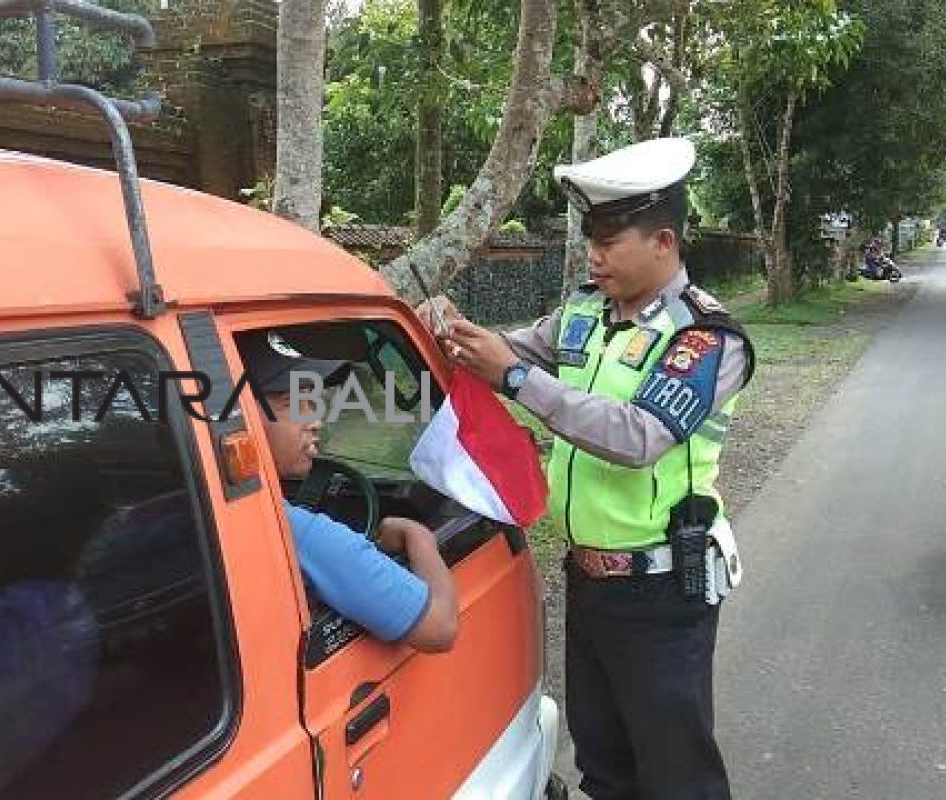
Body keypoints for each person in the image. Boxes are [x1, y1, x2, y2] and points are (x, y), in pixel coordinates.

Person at [417, 137, 754, 799]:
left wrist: (513, 377)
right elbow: (507, 350)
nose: (594, 256)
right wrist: (455, 331)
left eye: (609, 241)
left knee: (676, 773)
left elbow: (639, 436)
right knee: (604, 760)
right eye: (590, 239)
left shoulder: (705, 339)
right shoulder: (583, 314)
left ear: (663, 241)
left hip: (661, 590)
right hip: (589, 578)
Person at [239, 333, 459, 652]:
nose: (314, 421)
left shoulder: (194, 505)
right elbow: (440, 627)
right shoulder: (294, 531)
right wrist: (420, 537)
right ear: (239, 419)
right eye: (293, 405)